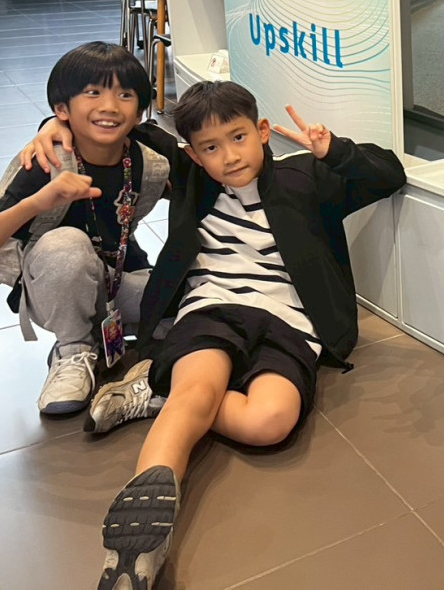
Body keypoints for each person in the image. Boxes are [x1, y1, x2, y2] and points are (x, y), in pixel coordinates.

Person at [93, 81, 405, 590]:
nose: (230, 156)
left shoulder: (306, 176)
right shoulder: (192, 178)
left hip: (291, 320)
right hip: (213, 306)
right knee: (199, 390)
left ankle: (159, 392)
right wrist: (51, 127)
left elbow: (388, 175)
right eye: (211, 148)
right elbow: (123, 129)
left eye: (238, 138)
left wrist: (334, 150)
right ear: (194, 155)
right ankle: (137, 544)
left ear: (262, 131)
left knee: (270, 421)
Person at [0, 42, 169, 415]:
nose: (110, 106)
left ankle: (128, 339)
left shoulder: (150, 160)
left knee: (197, 292)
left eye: (125, 95)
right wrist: (38, 202)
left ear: (139, 112)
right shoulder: (47, 162)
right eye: (93, 93)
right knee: (65, 244)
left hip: (119, 283)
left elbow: (209, 164)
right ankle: (73, 349)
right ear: (62, 110)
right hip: (55, 287)